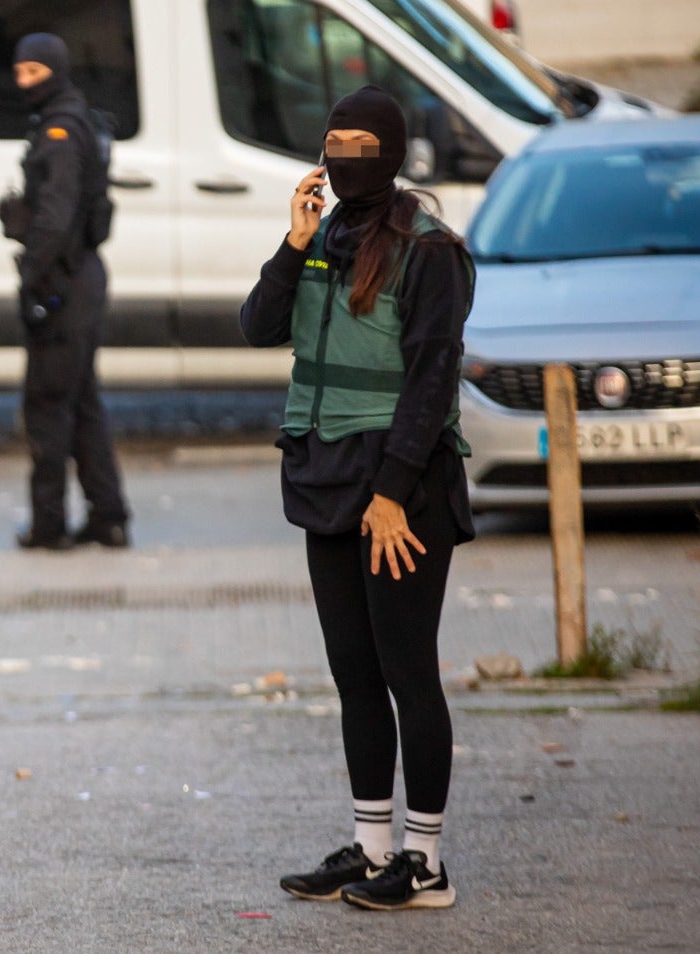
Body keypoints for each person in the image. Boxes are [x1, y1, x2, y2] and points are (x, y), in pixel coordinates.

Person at [239, 85, 475, 911]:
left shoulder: (431, 249)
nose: (342, 159)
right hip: (325, 471)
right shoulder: (323, 236)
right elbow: (259, 325)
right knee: (354, 672)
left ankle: (427, 862)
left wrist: (393, 493)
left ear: (392, 153)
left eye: (359, 146)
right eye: (332, 143)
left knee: (409, 670)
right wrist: (291, 242)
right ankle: (373, 848)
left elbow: (433, 375)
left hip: (400, 482)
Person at [3, 33, 129, 551]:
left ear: (54, 70)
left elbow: (55, 218)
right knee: (81, 404)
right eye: (19, 73)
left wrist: (31, 272)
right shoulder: (76, 119)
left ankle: (49, 525)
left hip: (63, 284)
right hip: (82, 278)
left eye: (34, 73)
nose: (24, 82)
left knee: (49, 406)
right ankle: (109, 517)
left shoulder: (59, 131)